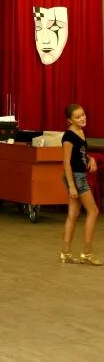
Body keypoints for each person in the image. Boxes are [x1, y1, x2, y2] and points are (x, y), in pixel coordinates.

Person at [60, 103, 101, 265]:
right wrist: (71, 186)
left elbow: (81, 154)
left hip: (78, 175)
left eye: (83, 114)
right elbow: (66, 163)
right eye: (77, 117)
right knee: (93, 211)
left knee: (74, 213)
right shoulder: (68, 137)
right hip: (75, 177)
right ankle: (87, 253)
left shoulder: (80, 132)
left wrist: (91, 159)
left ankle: (66, 253)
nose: (82, 118)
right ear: (70, 120)